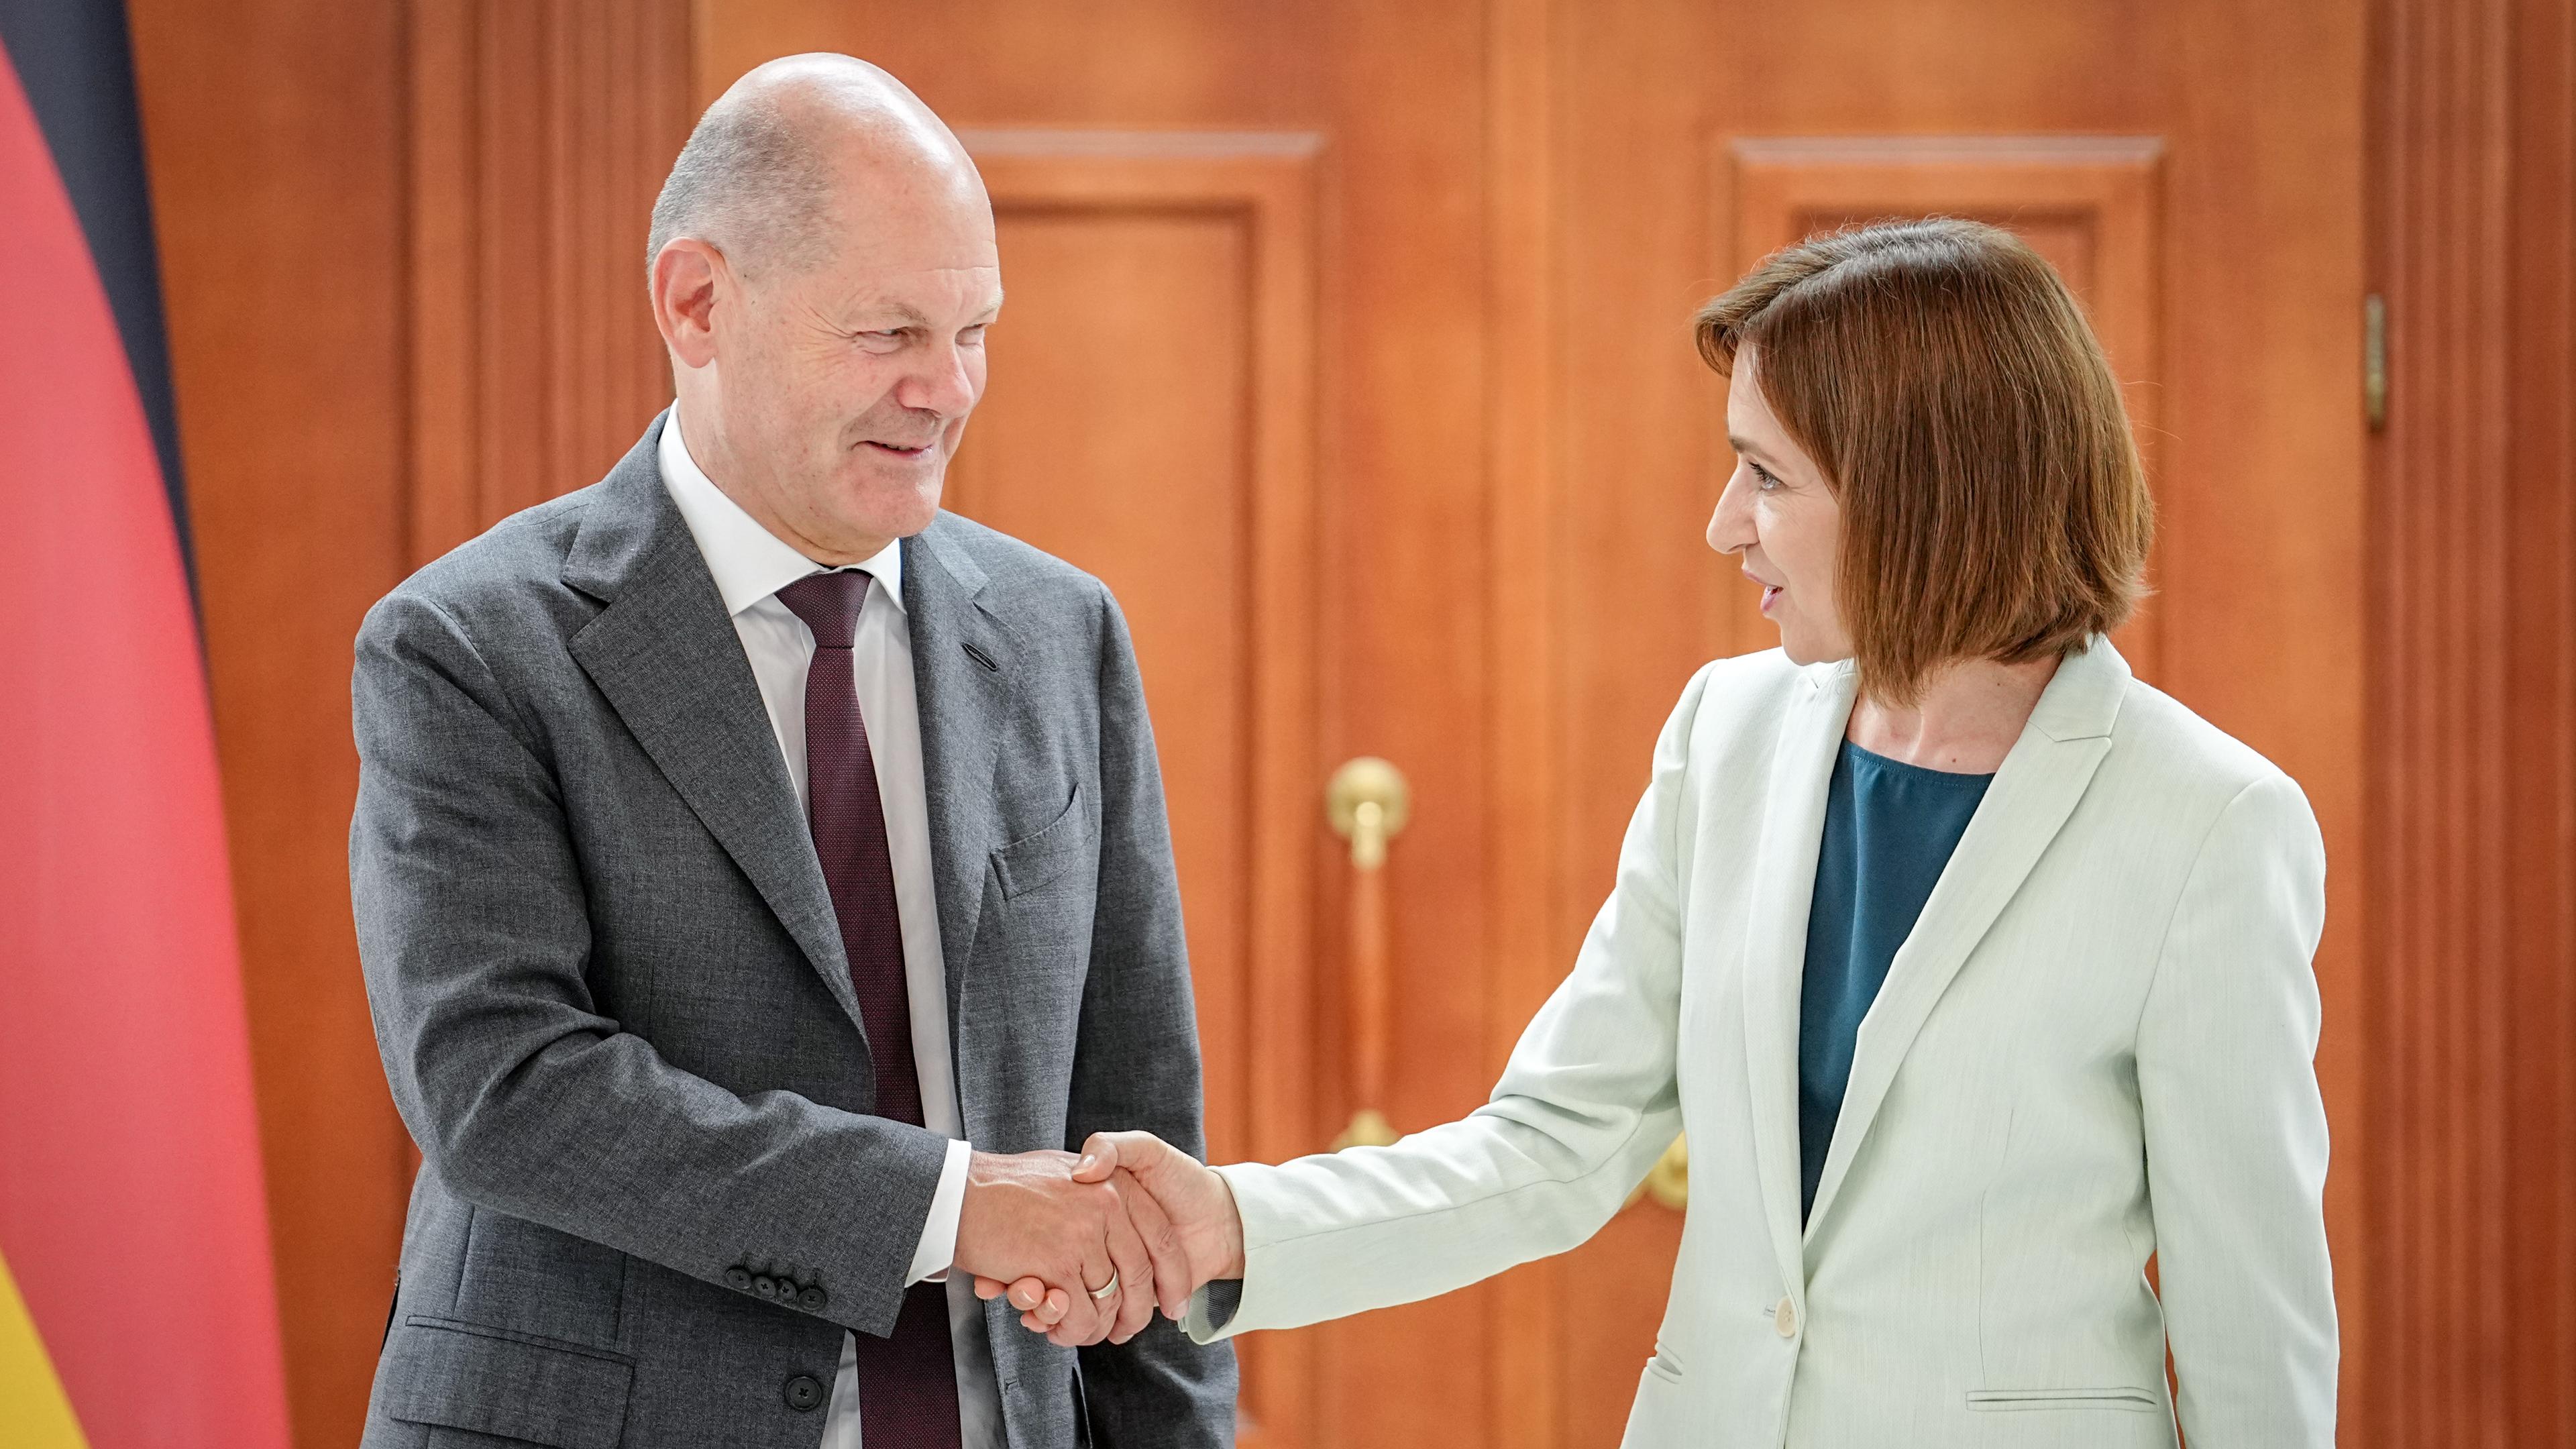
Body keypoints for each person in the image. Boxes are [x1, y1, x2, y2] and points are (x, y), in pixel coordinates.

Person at [1006, 219, 2338, 1446]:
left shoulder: (2210, 825)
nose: (1722, 525)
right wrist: (1236, 1221)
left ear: (1924, 493)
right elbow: (1557, 1142)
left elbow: (2250, 1325)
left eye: (1766, 477)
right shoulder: (1731, 732)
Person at [350, 54, 1230, 1449]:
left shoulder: (1067, 632)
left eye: (976, 330)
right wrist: (949, 1207)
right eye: (887, 333)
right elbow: (506, 1092)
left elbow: (1135, 1122)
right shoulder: (466, 647)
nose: (947, 390)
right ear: (696, 303)